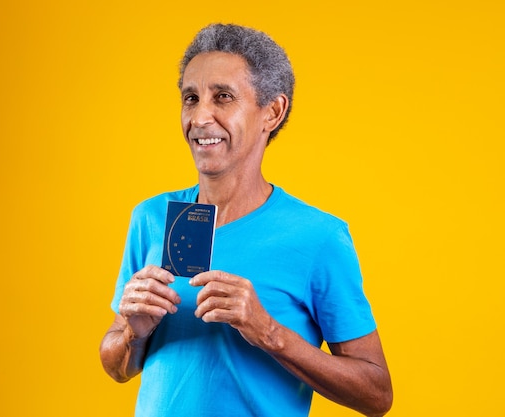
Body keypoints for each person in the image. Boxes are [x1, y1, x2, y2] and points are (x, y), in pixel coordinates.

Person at [99, 23, 392, 417]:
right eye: (191, 98)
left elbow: (377, 395)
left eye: (223, 97)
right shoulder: (151, 218)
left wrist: (269, 332)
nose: (200, 117)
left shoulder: (318, 237)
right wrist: (134, 333)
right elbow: (117, 367)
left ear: (272, 111)